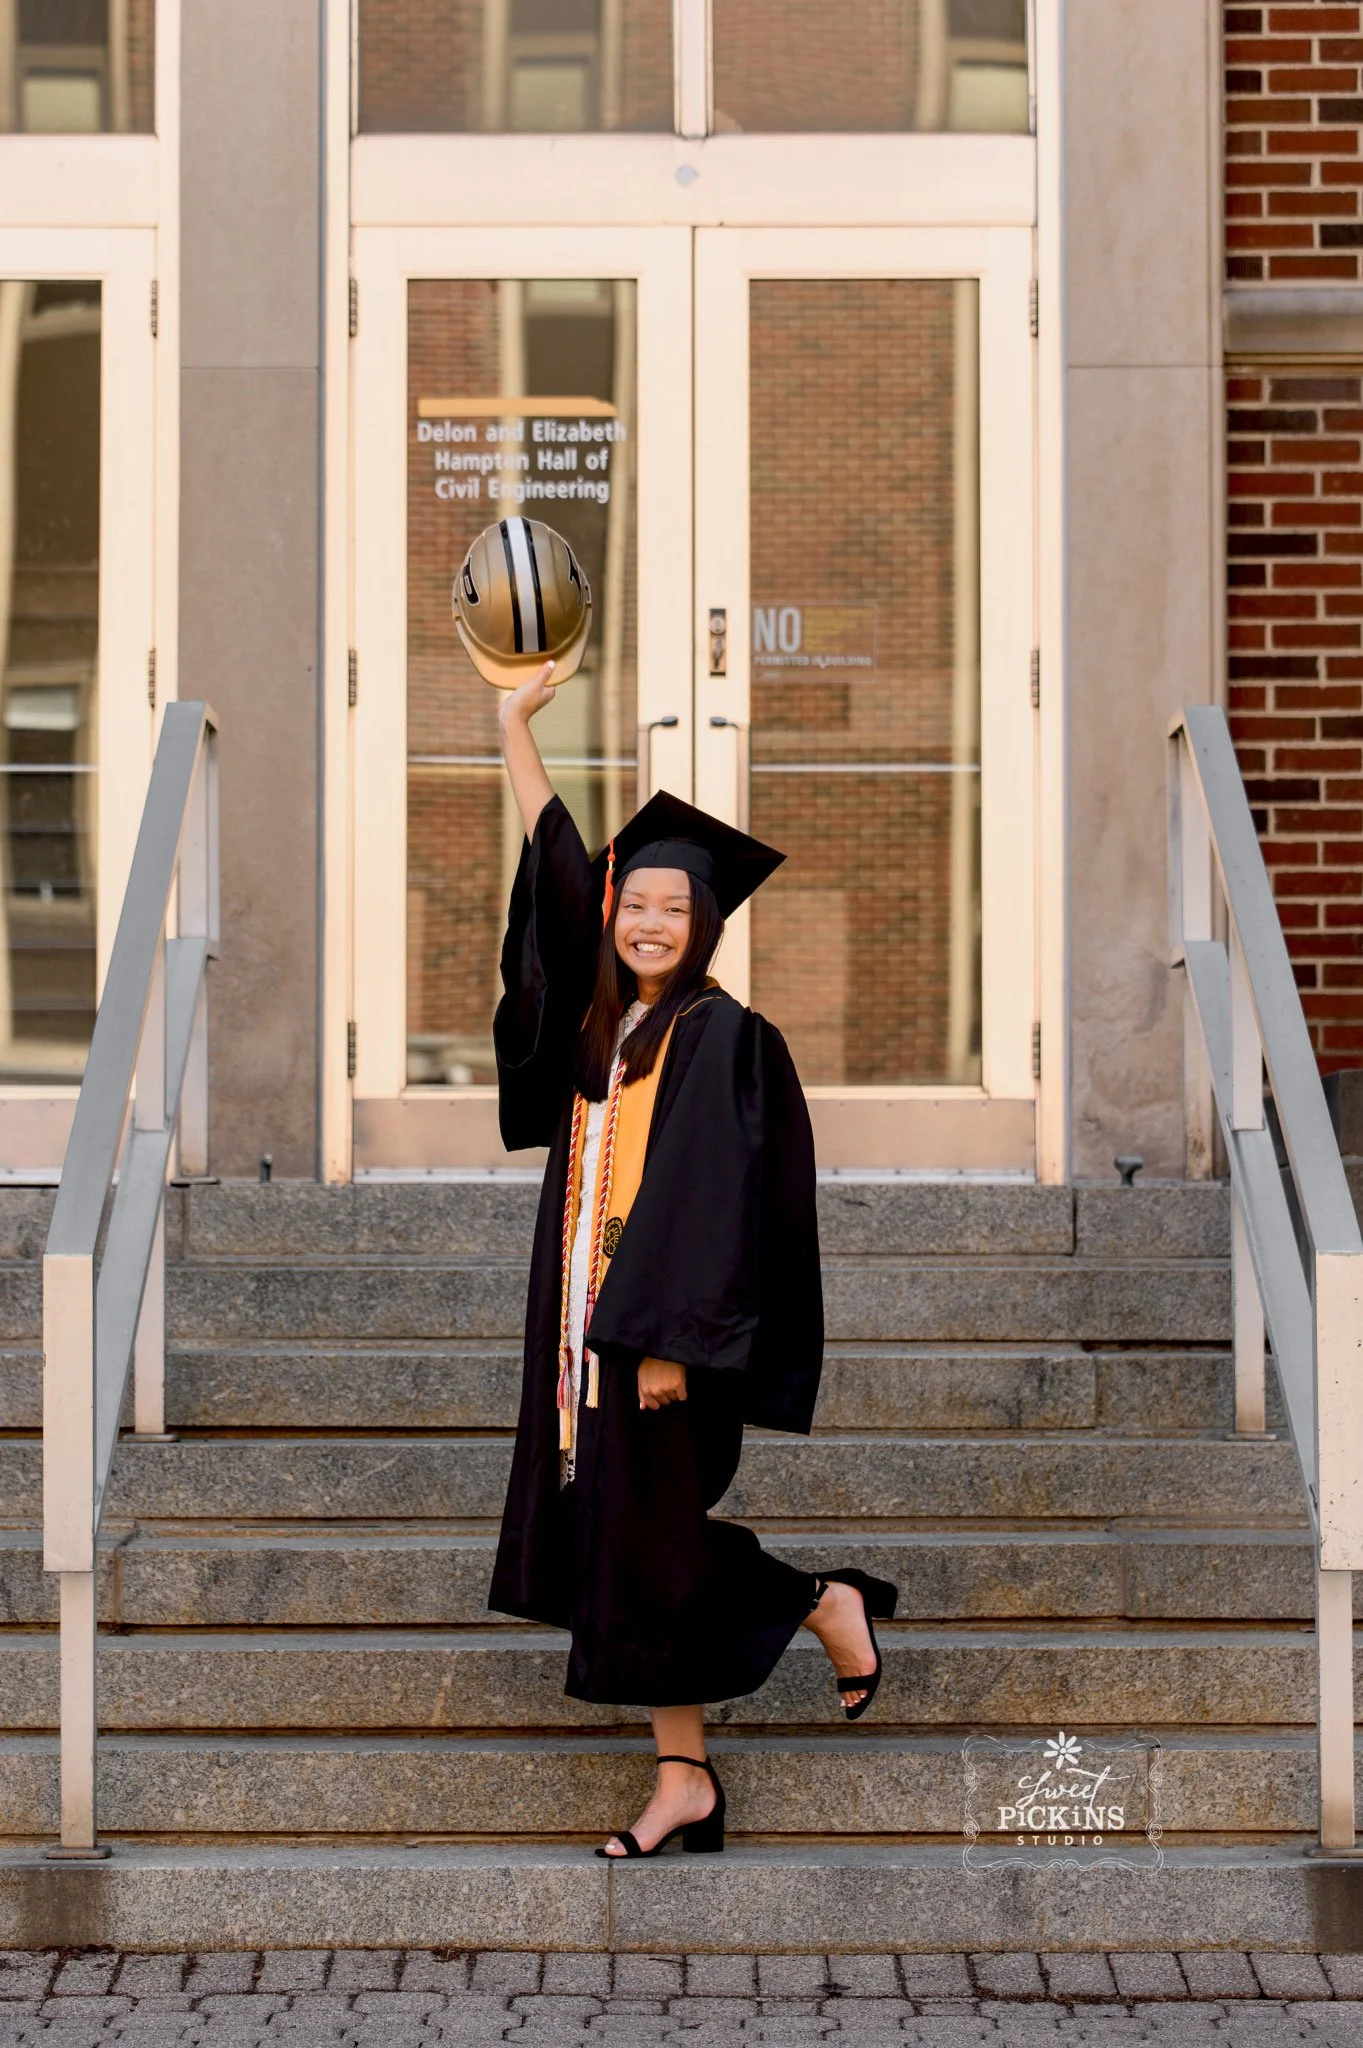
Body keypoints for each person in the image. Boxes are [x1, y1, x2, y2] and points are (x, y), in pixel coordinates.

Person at [488, 659, 898, 1860]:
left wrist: (670, 1336)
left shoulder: (721, 1036)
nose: (647, 922)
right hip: (583, 1339)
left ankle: (811, 1612)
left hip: (658, 1335)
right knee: (628, 1547)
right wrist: (515, 726)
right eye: (634, 906)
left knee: (647, 1545)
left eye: (673, 907)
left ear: (706, 921)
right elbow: (559, 884)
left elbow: (718, 1196)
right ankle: (695, 1766)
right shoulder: (604, 1033)